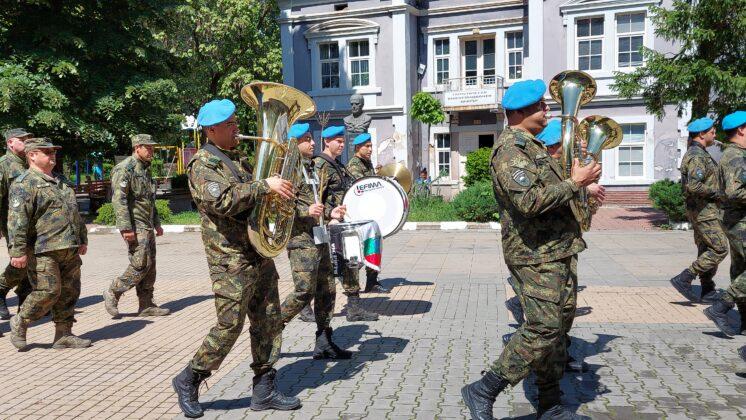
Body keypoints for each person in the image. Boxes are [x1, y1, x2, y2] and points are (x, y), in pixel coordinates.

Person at [461, 79, 600, 420]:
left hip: (558, 249)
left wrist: (582, 188)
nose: (547, 109)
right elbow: (530, 202)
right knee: (543, 327)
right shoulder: (511, 150)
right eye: (540, 105)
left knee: (558, 331)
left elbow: (554, 194)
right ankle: (485, 388)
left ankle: (550, 405)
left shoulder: (533, 147)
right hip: (534, 254)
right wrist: (576, 182)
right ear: (520, 112)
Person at [172, 99, 300, 418]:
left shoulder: (237, 158)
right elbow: (224, 202)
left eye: (235, 122)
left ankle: (264, 389)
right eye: (229, 125)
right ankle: (190, 378)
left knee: (269, 320)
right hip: (230, 260)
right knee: (229, 325)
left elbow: (257, 198)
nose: (236, 128)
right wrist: (264, 186)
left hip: (257, 252)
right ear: (211, 130)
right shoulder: (203, 164)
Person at [502, 119, 605, 374]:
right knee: (546, 322)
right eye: (572, 142)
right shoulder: (534, 161)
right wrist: (579, 185)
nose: (580, 146)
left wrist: (587, 194)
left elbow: (571, 204)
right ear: (553, 144)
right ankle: (500, 379)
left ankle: (556, 362)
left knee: (565, 310)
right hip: (538, 250)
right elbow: (535, 200)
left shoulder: (563, 165)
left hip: (564, 244)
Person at [7, 138, 90, 350]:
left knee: (70, 291)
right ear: (32, 155)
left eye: (53, 152)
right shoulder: (24, 183)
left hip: (69, 247)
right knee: (47, 291)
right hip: (43, 249)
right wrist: (17, 251)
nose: (52, 155)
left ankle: (63, 335)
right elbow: (17, 220)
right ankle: (21, 320)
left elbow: (74, 211)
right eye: (47, 152)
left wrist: (82, 238)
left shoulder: (61, 180)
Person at [280, 123, 351, 359]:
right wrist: (305, 211)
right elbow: (278, 208)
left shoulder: (311, 168)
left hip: (319, 236)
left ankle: (324, 341)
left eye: (311, 138)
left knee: (327, 289)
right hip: (300, 240)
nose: (312, 143)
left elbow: (317, 201)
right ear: (294, 144)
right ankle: (270, 328)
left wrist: (330, 212)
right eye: (307, 139)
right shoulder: (286, 171)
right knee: (303, 291)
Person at [314, 126, 379, 321]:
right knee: (326, 270)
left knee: (351, 263)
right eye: (338, 141)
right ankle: (305, 307)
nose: (342, 145)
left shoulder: (337, 164)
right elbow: (315, 198)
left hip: (344, 223)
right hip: (331, 224)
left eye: (343, 141)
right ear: (327, 142)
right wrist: (329, 216)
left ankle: (354, 308)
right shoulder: (320, 165)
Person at [103, 134, 169, 318]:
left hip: (146, 225)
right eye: (148, 147)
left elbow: (149, 200)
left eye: (152, 147)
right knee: (140, 264)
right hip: (135, 225)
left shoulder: (145, 168)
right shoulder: (125, 168)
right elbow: (119, 200)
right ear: (137, 147)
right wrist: (126, 228)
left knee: (150, 265)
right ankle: (113, 291)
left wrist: (157, 223)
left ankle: (146, 305)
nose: (151, 151)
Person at [670, 117, 728, 303]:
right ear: (702, 134)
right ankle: (685, 277)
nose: (715, 135)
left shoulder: (700, 153)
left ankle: (707, 289)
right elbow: (694, 186)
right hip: (704, 211)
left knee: (706, 249)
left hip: (703, 210)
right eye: (712, 132)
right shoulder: (697, 156)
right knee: (719, 249)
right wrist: (719, 193)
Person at [704, 111, 746, 337]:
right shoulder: (735, 156)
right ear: (741, 129)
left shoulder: (736, 154)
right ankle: (721, 307)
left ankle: (744, 322)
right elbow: (734, 191)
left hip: (737, 221)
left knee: (740, 269)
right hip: (740, 222)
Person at [346, 132, 389, 294]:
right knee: (358, 251)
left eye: (371, 146)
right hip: (359, 215)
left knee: (373, 246)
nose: (370, 149)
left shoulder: (367, 162)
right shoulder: (354, 165)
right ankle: (352, 287)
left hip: (369, 212)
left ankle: (372, 282)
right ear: (358, 147)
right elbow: (361, 187)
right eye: (367, 146)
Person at [0, 128, 34, 320]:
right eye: (22, 140)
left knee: (33, 260)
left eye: (28, 139)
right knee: (20, 260)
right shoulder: (4, 164)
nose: (27, 142)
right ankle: (1, 288)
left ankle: (25, 298)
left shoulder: (29, 162)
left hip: (33, 222)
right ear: (10, 143)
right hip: (13, 223)